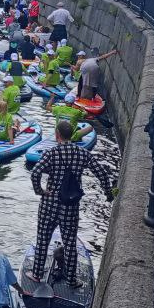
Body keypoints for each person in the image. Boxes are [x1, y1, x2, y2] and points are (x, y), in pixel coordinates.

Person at [29, 120, 116, 287]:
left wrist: (40, 191)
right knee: (69, 243)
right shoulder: (82, 153)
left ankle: (37, 274)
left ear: (57, 135)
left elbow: (35, 173)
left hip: (50, 204)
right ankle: (71, 279)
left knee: (42, 239)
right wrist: (108, 193)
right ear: (72, 135)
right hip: (70, 205)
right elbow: (102, 174)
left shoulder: (51, 153)